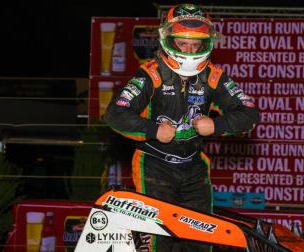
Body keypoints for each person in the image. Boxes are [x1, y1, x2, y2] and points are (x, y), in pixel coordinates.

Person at [104, 3, 260, 251]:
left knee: (201, 240)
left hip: (194, 167)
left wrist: (217, 125)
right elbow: (114, 114)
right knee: (158, 239)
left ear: (206, 43)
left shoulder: (214, 76)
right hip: (154, 166)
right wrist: (154, 130)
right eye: (183, 43)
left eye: (196, 44)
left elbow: (250, 113)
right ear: (169, 39)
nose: (189, 49)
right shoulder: (150, 75)